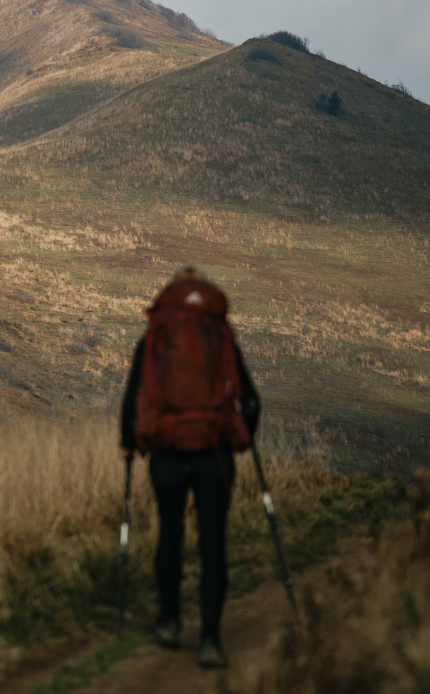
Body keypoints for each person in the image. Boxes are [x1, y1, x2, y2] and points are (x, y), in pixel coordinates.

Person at [119, 267, 260, 669]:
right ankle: (210, 639)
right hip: (214, 455)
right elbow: (250, 400)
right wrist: (241, 437)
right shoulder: (219, 334)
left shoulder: (156, 335)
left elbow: (133, 398)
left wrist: (129, 445)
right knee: (213, 545)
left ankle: (168, 621)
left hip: (166, 453)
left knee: (170, 534)